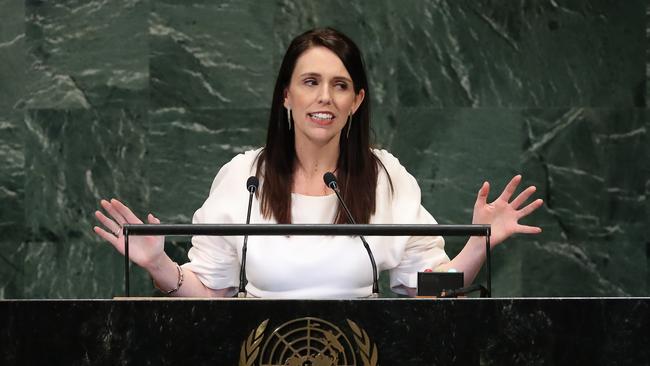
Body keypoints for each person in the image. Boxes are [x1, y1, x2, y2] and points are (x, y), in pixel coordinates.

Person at [93, 28, 543, 298]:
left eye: (340, 85)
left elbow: (426, 291)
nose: (325, 97)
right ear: (286, 96)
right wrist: (158, 265)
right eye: (310, 82)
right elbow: (211, 294)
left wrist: (481, 243)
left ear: (356, 101)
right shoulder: (242, 179)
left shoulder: (385, 179)